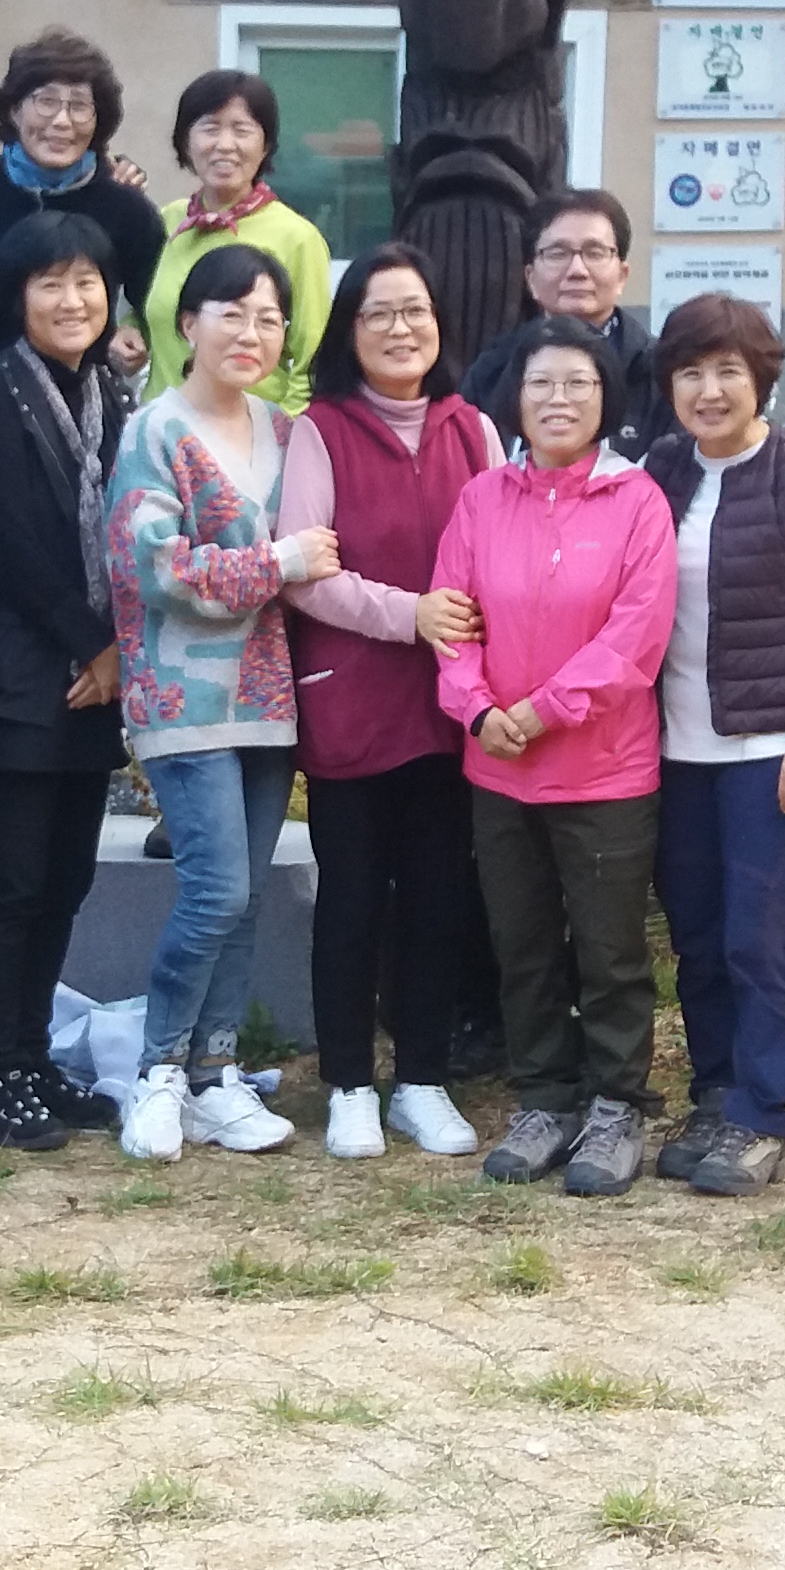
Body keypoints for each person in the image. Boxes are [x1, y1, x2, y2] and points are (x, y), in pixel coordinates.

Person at [106, 244, 338, 1161]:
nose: (251, 332)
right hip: (182, 693)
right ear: (188, 323)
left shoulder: (287, 433)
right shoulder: (154, 431)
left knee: (241, 902)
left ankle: (215, 1075)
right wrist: (276, 565)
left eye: (269, 317)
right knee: (217, 888)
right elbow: (156, 568)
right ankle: (157, 1072)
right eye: (231, 311)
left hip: (268, 695)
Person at [437, 320, 679, 1197]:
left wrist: (539, 711)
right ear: (517, 398)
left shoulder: (637, 501)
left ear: (606, 399)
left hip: (605, 770)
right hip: (497, 765)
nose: (559, 400)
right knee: (524, 942)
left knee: (611, 950)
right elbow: (451, 616)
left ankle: (616, 1103)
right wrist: (476, 707)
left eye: (578, 383)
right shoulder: (482, 498)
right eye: (542, 384)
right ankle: (544, 1097)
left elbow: (633, 640)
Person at [279, 245, 498, 1161]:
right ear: (349, 331)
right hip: (354, 699)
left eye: (415, 311)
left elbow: (500, 549)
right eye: (379, 314)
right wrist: (409, 615)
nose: (401, 329)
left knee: (440, 897)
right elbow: (304, 572)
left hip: (450, 706)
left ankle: (421, 1079)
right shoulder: (319, 430)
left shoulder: (474, 427)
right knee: (354, 899)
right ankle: (347, 1085)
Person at [637, 294, 785, 1198]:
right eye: (691, 371)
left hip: (772, 748)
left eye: (729, 369)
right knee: (695, 935)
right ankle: (716, 1090)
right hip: (672, 751)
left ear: (762, 378)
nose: (710, 388)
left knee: (760, 939)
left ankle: (763, 1113)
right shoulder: (656, 470)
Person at [0, 211, 138, 1152]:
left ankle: (33, 1060)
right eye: (51, 284)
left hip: (95, 681)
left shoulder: (110, 393)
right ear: (17, 300)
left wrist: (114, 655)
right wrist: (96, 647)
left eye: (88, 282)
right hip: (21, 682)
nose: (73, 300)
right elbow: (13, 547)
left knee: (64, 882)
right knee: (13, 883)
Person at [0, 27, 164, 365]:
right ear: (14, 110)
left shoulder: (127, 208)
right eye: (46, 102)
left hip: (91, 393)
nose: (62, 122)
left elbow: (157, 307)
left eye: (79, 105)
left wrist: (133, 330)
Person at [137, 70, 331, 410]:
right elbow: (145, 306)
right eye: (210, 128)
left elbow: (312, 364)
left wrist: (283, 439)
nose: (225, 145)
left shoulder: (297, 238)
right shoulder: (168, 221)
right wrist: (129, 329)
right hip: (161, 433)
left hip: (250, 439)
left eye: (242, 130)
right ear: (185, 140)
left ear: (266, 144)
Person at [460, 188, 665, 459]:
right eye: (558, 253)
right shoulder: (493, 371)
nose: (577, 271)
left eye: (595, 252)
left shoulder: (660, 373)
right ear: (530, 278)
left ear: (622, 276)